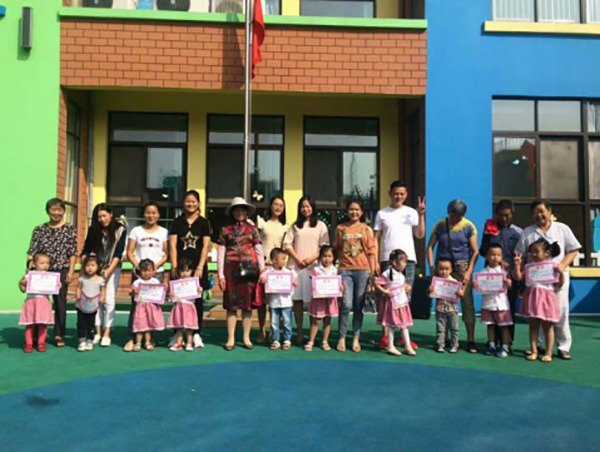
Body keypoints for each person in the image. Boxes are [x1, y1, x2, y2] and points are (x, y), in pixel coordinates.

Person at [515, 199, 580, 360]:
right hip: (536, 282)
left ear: (549, 211)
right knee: (537, 313)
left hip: (557, 279)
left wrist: (562, 265)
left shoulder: (562, 228)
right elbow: (520, 254)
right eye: (535, 212)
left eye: (541, 211)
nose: (539, 215)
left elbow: (574, 250)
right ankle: (538, 346)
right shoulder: (528, 232)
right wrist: (519, 268)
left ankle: (563, 347)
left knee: (560, 312)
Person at [373, 181, 425, 350]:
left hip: (407, 261)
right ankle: (385, 337)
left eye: (402, 194)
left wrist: (421, 215)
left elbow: (420, 234)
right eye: (396, 193)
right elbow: (376, 239)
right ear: (390, 193)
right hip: (387, 260)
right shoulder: (382, 213)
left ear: (406, 194)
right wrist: (375, 261)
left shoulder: (412, 212)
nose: (399, 196)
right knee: (387, 297)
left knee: (405, 297)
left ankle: (403, 337)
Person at [427, 199, 479, 353]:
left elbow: (475, 251)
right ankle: (445, 338)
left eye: (458, 216)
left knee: (466, 302)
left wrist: (469, 272)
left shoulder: (469, 227)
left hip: (462, 267)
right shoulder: (440, 225)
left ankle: (470, 339)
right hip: (443, 268)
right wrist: (432, 268)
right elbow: (430, 247)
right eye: (452, 215)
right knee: (443, 302)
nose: (455, 218)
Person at [27, 198, 77, 348]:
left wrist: (71, 271)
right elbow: (32, 251)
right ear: (47, 211)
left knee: (60, 303)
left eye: (59, 210)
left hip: (61, 269)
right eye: (53, 209)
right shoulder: (39, 229)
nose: (56, 213)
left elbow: (72, 253)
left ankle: (58, 334)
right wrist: (29, 269)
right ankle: (36, 335)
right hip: (41, 271)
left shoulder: (70, 229)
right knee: (37, 302)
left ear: (64, 211)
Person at [217, 197, 265, 351]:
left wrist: (262, 270)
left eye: (242, 210)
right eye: (236, 210)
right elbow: (221, 252)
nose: (240, 213)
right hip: (230, 270)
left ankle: (246, 338)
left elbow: (258, 250)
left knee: (247, 306)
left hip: (250, 270)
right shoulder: (225, 229)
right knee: (231, 306)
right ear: (232, 212)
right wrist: (220, 274)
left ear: (246, 212)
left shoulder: (253, 229)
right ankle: (230, 338)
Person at [283, 196, 329, 345]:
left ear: (313, 207)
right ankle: (300, 332)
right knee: (297, 302)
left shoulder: (321, 225)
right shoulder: (295, 226)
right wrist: (297, 259)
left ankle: (312, 335)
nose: (305, 209)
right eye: (303, 206)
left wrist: (311, 259)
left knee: (312, 302)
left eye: (308, 206)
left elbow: (324, 246)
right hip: (295, 268)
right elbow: (287, 244)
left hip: (313, 269)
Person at [123, 201, 169, 352]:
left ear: (159, 215)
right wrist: (139, 267)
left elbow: (166, 254)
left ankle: (150, 338)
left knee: (153, 307)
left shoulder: (163, 232)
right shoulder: (136, 231)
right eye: (148, 212)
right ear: (143, 214)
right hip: (139, 274)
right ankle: (132, 338)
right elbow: (130, 252)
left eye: (154, 213)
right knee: (137, 306)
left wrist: (154, 268)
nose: (151, 215)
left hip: (157, 273)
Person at [169, 190, 212, 349]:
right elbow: (172, 244)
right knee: (178, 300)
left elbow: (206, 246)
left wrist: (200, 266)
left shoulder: (204, 223)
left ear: (199, 203)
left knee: (197, 301)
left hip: (197, 267)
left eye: (193, 201)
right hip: (180, 267)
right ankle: (177, 334)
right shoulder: (176, 222)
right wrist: (174, 265)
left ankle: (196, 333)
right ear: (183, 203)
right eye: (187, 201)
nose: (190, 204)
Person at [333, 200, 377, 353]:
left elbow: (372, 252)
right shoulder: (340, 229)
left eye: (357, 210)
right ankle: (342, 337)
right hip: (345, 270)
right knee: (346, 304)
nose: (354, 212)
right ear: (347, 211)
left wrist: (372, 273)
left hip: (363, 271)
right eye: (351, 209)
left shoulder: (366, 229)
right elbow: (336, 249)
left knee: (359, 306)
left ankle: (356, 338)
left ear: (362, 212)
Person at [81, 203, 127, 347]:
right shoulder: (93, 229)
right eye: (99, 217)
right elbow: (86, 249)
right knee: (95, 300)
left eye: (104, 216)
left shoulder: (120, 229)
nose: (102, 219)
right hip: (95, 269)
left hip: (113, 268)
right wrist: (86, 265)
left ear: (111, 214)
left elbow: (118, 253)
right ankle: (97, 332)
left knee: (108, 300)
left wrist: (108, 271)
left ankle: (107, 332)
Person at [479, 199, 522, 345]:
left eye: (507, 215)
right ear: (496, 214)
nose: (504, 218)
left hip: (510, 277)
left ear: (513, 215)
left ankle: (507, 343)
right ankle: (493, 341)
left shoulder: (518, 232)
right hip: (491, 277)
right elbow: (482, 250)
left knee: (508, 309)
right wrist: (487, 236)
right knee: (492, 308)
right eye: (501, 215)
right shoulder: (489, 228)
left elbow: (521, 255)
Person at [514, 239, 563, 363]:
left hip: (546, 298)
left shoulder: (553, 266)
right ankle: (534, 351)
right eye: (531, 252)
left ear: (547, 253)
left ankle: (548, 352)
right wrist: (517, 265)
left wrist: (561, 273)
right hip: (531, 296)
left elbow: (558, 285)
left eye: (537, 251)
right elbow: (519, 278)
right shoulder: (529, 267)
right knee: (533, 327)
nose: (533, 254)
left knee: (548, 327)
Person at [256, 196, 289, 344]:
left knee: (275, 302)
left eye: (281, 205)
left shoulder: (285, 227)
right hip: (264, 266)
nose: (278, 208)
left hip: (278, 270)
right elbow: (255, 244)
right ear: (270, 206)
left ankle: (273, 331)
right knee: (262, 302)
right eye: (275, 204)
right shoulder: (262, 223)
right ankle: (261, 329)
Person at [375, 249, 416, 357]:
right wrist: (385, 291)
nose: (405, 264)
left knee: (404, 325)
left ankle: (407, 345)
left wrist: (408, 287)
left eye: (406, 261)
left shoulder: (400, 274)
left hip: (402, 302)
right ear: (394, 262)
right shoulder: (387, 273)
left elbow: (404, 284)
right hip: (392, 304)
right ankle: (390, 345)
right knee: (391, 325)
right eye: (403, 261)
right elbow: (377, 283)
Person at [475, 244, 513, 358]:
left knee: (504, 326)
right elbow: (480, 289)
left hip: (502, 304)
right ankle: (491, 346)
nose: (495, 257)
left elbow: (510, 287)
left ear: (502, 257)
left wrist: (509, 283)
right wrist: (476, 284)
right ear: (486, 256)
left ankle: (505, 347)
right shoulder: (482, 273)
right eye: (492, 254)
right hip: (488, 304)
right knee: (490, 326)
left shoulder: (505, 272)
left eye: (498, 255)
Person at [304, 245, 341, 352]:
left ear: (333, 258)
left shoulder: (335, 270)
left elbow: (338, 284)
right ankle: (311, 341)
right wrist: (313, 287)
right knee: (316, 320)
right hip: (319, 299)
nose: (327, 259)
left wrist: (340, 287)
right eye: (324, 256)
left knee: (327, 320)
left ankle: (325, 341)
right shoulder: (316, 269)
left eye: (330, 256)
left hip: (330, 300)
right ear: (320, 257)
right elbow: (313, 282)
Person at [18, 253, 56, 353]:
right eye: (42, 263)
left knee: (43, 324)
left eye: (47, 263)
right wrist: (22, 284)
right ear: (34, 264)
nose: (45, 265)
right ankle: (29, 344)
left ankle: (41, 343)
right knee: (29, 324)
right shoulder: (29, 276)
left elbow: (52, 290)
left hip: (44, 302)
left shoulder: (50, 277)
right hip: (31, 302)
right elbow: (23, 289)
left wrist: (57, 286)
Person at [262, 248, 296, 351]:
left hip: (286, 302)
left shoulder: (288, 272)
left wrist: (294, 283)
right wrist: (263, 279)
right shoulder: (268, 272)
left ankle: (287, 340)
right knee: (274, 323)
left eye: (285, 259)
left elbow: (295, 282)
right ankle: (275, 340)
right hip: (274, 302)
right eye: (282, 259)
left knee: (287, 322)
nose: (284, 261)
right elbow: (262, 278)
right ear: (274, 260)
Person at [130, 259, 165, 352]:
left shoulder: (155, 281)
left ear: (154, 271)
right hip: (140, 307)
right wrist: (134, 291)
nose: (146, 273)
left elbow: (160, 293)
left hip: (151, 306)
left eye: (149, 270)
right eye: (144, 270)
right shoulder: (137, 282)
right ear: (140, 271)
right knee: (140, 325)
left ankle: (148, 342)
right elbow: (131, 293)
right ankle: (138, 343)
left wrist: (164, 288)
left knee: (149, 326)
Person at [430, 257, 463, 354]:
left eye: (446, 269)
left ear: (451, 270)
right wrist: (429, 290)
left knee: (454, 329)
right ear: (437, 269)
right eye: (441, 269)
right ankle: (440, 345)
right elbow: (429, 294)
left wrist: (460, 293)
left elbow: (461, 295)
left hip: (452, 309)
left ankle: (454, 345)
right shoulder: (435, 282)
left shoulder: (455, 282)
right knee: (440, 329)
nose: (444, 271)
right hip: (440, 309)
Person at [167, 257, 200, 352]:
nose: (185, 273)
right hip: (179, 306)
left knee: (189, 327)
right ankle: (179, 343)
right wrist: (171, 295)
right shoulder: (176, 283)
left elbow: (198, 293)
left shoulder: (194, 282)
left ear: (191, 271)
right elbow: (171, 298)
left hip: (189, 306)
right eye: (182, 271)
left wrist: (199, 289)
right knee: (179, 327)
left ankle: (189, 343)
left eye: (187, 270)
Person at [75, 255, 105, 352]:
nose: (90, 268)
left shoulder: (100, 280)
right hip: (81, 304)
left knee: (91, 324)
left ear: (97, 267)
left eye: (92, 265)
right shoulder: (82, 278)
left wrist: (102, 297)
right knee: (81, 323)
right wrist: (78, 294)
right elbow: (78, 287)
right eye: (87, 265)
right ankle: (81, 340)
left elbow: (102, 290)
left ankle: (89, 340)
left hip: (93, 305)